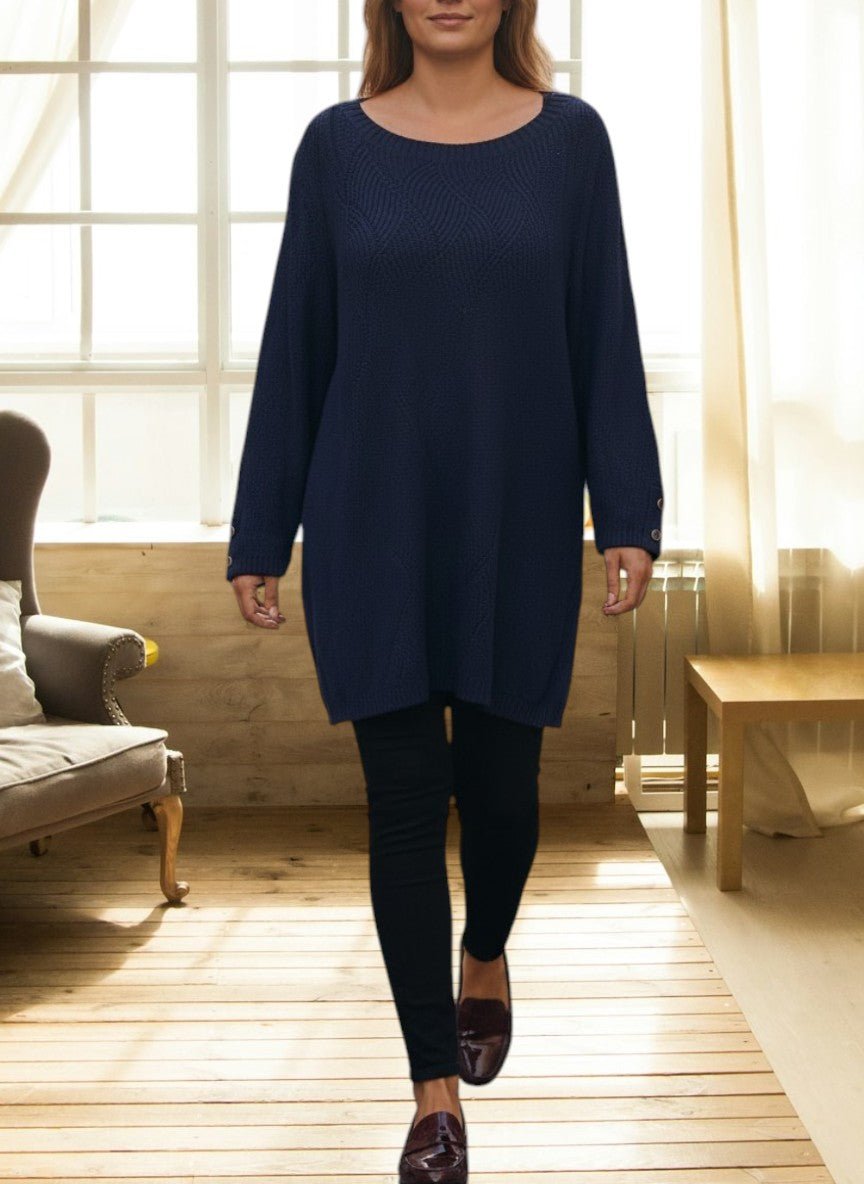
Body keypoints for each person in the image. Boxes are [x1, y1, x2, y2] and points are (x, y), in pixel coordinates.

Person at [227, 1, 664, 1179]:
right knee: (406, 805)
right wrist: (262, 528)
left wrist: (627, 512)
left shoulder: (572, 142)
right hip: (370, 517)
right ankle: (433, 1095)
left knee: (504, 793)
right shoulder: (336, 147)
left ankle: (487, 949)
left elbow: (604, 331)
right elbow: (296, 344)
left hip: (518, 517)